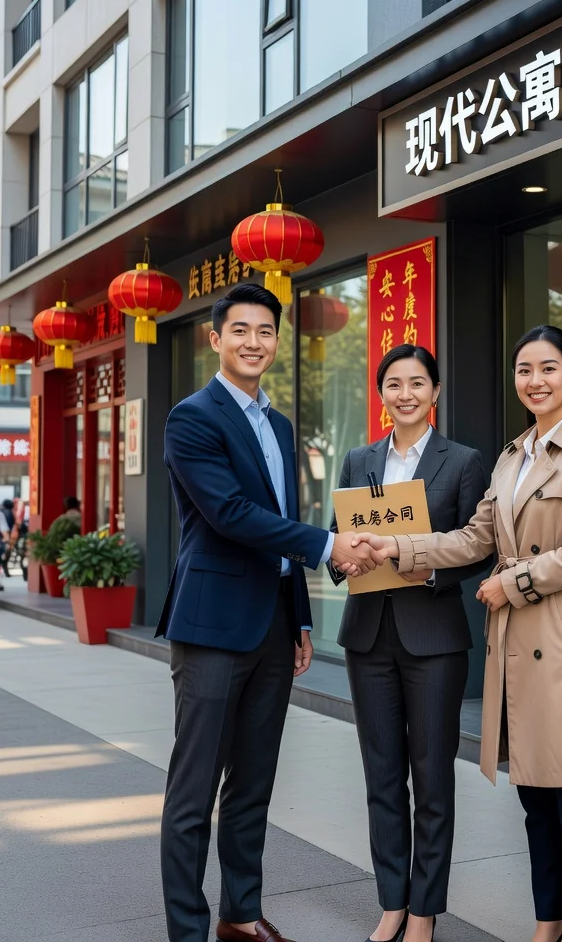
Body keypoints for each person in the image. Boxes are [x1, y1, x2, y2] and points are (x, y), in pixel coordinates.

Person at [358, 326, 562, 942]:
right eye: (525, 370)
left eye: (549, 369)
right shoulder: (513, 456)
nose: (536, 381)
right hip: (517, 642)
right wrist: (399, 547)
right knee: (535, 796)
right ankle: (548, 923)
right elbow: (473, 538)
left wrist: (515, 583)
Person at [157, 282, 385, 942]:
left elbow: (280, 520)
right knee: (195, 789)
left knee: (253, 783)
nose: (253, 342)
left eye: (265, 332)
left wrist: (300, 617)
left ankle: (240, 913)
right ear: (216, 339)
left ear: (277, 342)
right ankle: (187, 930)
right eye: (241, 330)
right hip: (212, 625)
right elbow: (230, 514)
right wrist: (329, 545)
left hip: (273, 627)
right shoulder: (191, 418)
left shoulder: (280, 425)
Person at [329, 345, 490, 942]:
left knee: (432, 777)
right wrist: (344, 559)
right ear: (381, 394)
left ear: (435, 392)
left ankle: (424, 909)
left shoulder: (464, 461)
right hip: (367, 635)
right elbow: (336, 537)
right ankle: (391, 902)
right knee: (381, 775)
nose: (405, 394)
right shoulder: (358, 459)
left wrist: (427, 567)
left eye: (417, 383)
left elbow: (479, 547)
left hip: (434, 638)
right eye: (393, 384)